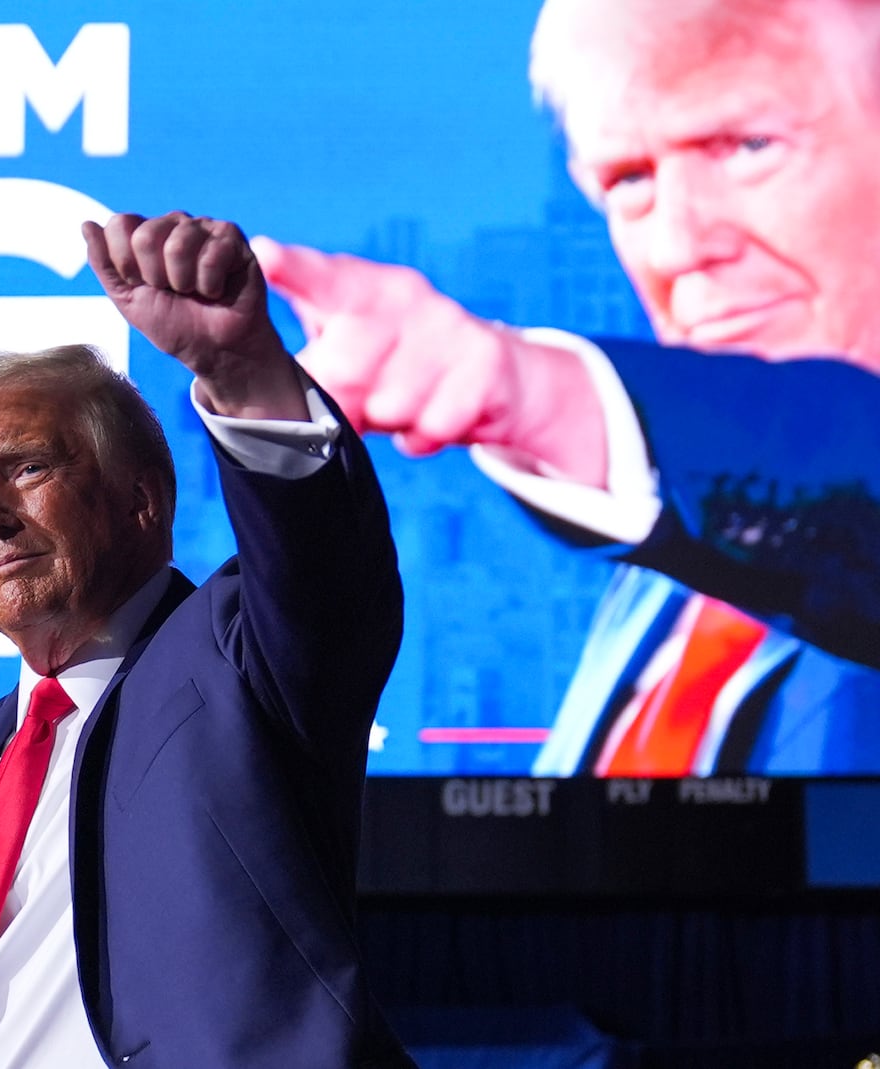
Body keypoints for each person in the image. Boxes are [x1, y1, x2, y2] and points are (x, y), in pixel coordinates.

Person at [253, 0, 880, 776]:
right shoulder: (663, 561)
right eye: (630, 178)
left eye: (751, 145)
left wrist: (532, 391)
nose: (679, 245)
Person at [0, 212, 410, 1067]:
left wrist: (245, 375)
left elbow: (327, 577)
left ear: (140, 501)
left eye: (27, 468)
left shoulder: (236, 661)